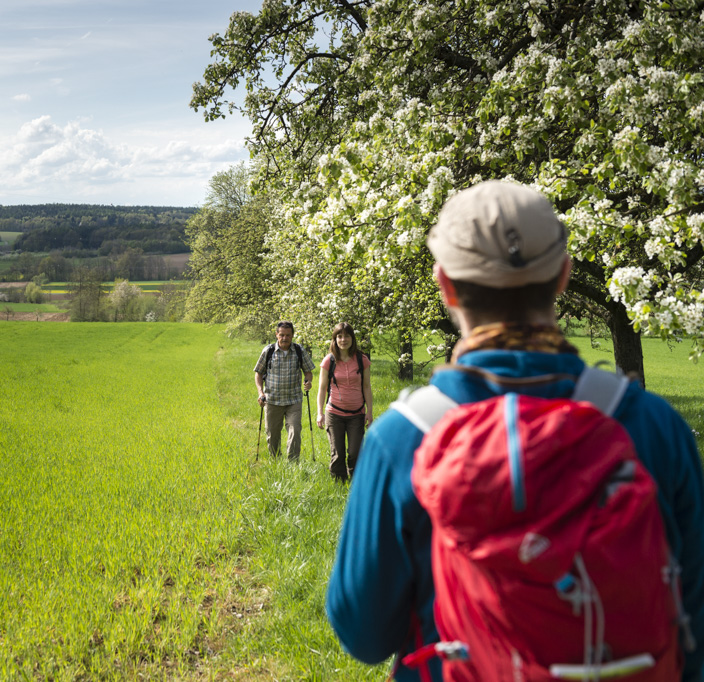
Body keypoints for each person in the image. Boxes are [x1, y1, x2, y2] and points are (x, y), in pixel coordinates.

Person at [325, 181, 704, 681]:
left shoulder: (404, 440)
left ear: (445, 285)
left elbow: (363, 634)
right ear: (564, 276)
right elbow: (693, 624)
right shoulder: (653, 428)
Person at [315, 322, 373, 481]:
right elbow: (322, 389)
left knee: (355, 452)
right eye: (339, 336)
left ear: (352, 338)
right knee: (337, 453)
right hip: (334, 413)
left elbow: (367, 387)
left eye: (347, 336)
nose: (343, 340)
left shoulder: (362, 359)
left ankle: (355, 483)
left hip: (357, 414)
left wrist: (369, 412)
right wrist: (320, 413)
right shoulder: (329, 360)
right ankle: (339, 484)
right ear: (334, 339)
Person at [254, 321, 315, 461]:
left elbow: (308, 371)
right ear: (276, 334)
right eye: (281, 335)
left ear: (292, 335)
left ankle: (293, 464)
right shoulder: (268, 351)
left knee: (295, 431)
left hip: (293, 400)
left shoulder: (299, 351)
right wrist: (260, 393)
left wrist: (308, 381)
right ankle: (275, 461)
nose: (284, 338)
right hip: (272, 400)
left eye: (288, 335)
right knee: (272, 434)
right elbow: (258, 373)